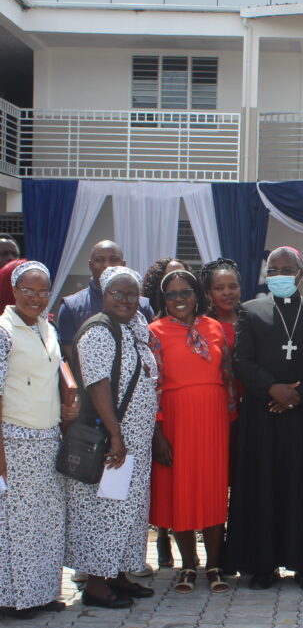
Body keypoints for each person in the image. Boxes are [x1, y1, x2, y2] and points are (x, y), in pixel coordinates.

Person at [225, 247, 303, 591]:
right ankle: (263, 565)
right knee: (262, 488)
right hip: (262, 417)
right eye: (273, 270)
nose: (280, 275)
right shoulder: (251, 310)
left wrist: (297, 395)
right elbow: (241, 361)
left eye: (287, 269)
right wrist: (273, 389)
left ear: (300, 274)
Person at [65, 267, 159, 609]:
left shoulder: (132, 329)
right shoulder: (99, 331)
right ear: (103, 295)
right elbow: (98, 384)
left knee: (128, 510)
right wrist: (116, 435)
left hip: (135, 442)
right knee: (106, 510)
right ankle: (96, 584)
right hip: (112, 442)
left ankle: (118, 572)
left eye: (132, 294)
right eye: (117, 294)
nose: (125, 300)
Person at [149, 270, 236, 594]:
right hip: (175, 419)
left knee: (213, 491)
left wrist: (231, 422)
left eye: (185, 292)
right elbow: (152, 385)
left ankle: (214, 565)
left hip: (212, 421)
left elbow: (227, 379)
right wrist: (157, 433)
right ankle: (188, 565)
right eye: (171, 295)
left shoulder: (214, 328)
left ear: (197, 294)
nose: (179, 299)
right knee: (179, 491)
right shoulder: (154, 332)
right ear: (164, 300)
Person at [0, 262, 75, 618]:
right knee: (18, 525)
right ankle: (16, 598)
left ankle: (44, 592)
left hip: (49, 439)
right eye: (28, 290)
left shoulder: (48, 328)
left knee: (47, 522)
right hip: (15, 440)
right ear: (14, 291)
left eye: (42, 291)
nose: (35, 298)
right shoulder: (3, 331)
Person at [141, 256, 188, 569]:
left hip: (194, 418)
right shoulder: (151, 329)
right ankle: (162, 540)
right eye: (169, 285)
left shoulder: (197, 324)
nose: (177, 292)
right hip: (165, 417)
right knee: (165, 481)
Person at [57, 241, 155, 367]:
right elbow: (71, 357)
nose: (107, 265)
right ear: (90, 265)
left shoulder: (143, 305)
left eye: (113, 260)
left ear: (123, 265)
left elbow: (150, 349)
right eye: (99, 260)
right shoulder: (71, 306)